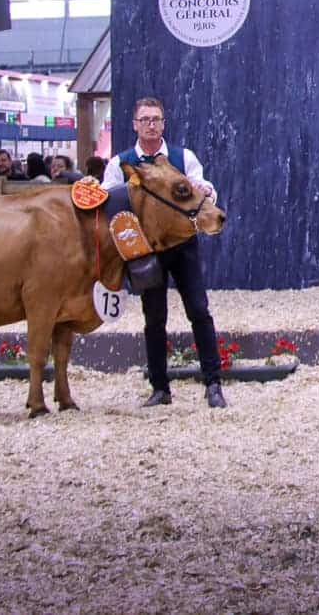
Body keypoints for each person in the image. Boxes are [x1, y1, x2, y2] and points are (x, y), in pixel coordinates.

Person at [102, 96, 226, 409]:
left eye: (156, 119)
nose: (151, 124)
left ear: (163, 122)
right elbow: (108, 198)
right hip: (147, 251)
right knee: (154, 319)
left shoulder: (183, 158)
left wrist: (207, 189)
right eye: (145, 119)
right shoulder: (120, 163)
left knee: (199, 311)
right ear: (135, 124)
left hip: (183, 247)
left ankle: (213, 384)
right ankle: (160, 388)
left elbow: (202, 185)